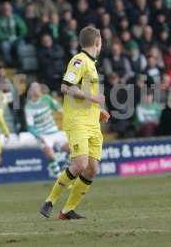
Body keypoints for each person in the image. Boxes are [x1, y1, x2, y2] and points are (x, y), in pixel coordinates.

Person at [39, 26, 110, 220]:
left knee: (92, 169)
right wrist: (94, 99)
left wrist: (99, 110)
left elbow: (86, 95)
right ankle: (50, 201)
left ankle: (67, 210)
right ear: (98, 42)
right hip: (77, 121)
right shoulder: (79, 61)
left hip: (92, 122)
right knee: (80, 163)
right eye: (101, 41)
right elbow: (65, 87)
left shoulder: (92, 64)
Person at [25, 82, 69, 178]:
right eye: (34, 87)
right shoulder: (28, 107)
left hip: (55, 132)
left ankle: (66, 173)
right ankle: (59, 177)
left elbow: (60, 109)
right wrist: (39, 136)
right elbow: (30, 127)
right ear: (30, 91)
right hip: (43, 135)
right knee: (49, 151)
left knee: (73, 150)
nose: (37, 89)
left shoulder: (47, 99)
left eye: (38, 87)